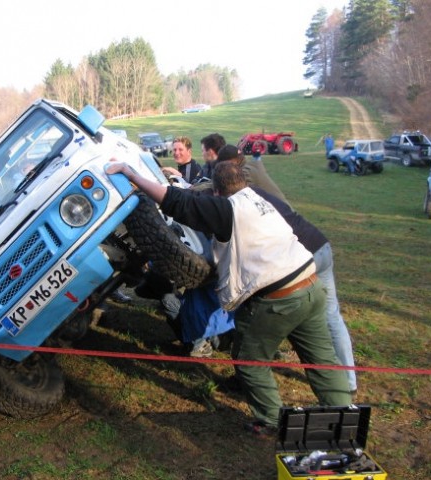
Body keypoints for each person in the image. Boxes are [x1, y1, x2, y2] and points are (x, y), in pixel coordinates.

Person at [105, 159, 352, 434]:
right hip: (311, 285)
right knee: (322, 359)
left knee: (249, 360)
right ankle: (343, 414)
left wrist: (131, 174)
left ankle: (270, 421)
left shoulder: (228, 209)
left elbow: (176, 201)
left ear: (218, 192)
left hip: (278, 298)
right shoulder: (260, 199)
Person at [216, 146, 357, 393]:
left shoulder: (244, 195)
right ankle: (348, 382)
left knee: (274, 315)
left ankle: (251, 374)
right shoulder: (258, 188)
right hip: (320, 244)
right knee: (332, 316)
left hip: (299, 256)